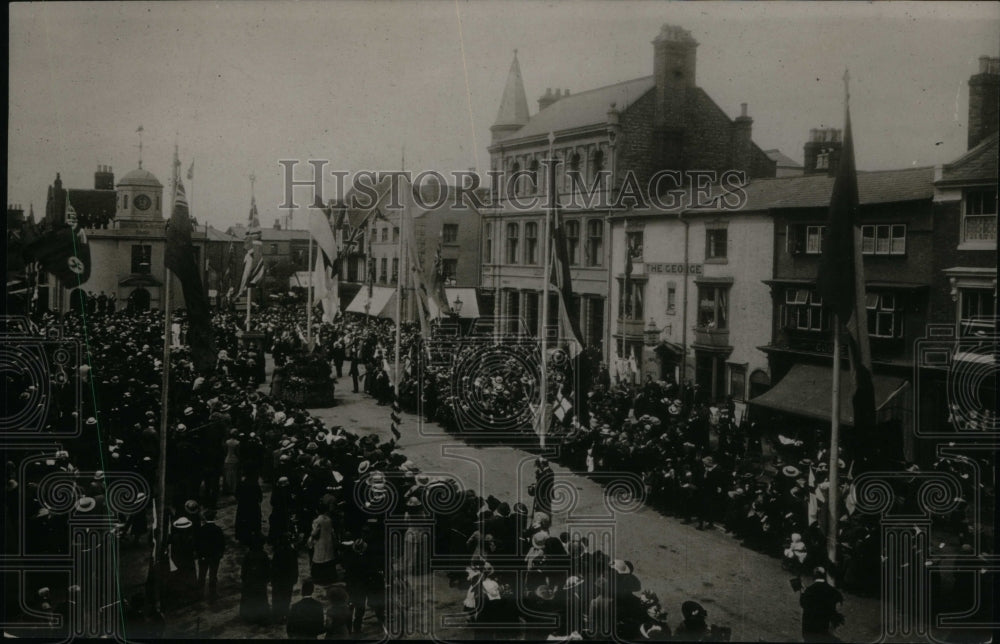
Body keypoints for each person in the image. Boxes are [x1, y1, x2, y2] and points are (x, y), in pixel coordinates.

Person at [799, 567, 844, 642]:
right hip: (823, 626)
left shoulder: (809, 590)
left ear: (814, 576)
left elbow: (803, 604)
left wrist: (802, 592)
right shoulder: (832, 590)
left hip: (809, 627)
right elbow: (839, 602)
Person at [195, 509, 226, 600]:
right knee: (213, 575)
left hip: (203, 556)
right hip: (214, 557)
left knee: (202, 575)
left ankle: (200, 594)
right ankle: (213, 593)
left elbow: (197, 544)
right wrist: (220, 554)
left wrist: (199, 554)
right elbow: (222, 544)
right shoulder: (217, 529)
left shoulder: (201, 530)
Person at [239, 536, 271, 625]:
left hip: (250, 582)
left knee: (249, 599)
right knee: (260, 599)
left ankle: (249, 617)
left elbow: (244, 569)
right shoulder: (264, 555)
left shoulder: (248, 555)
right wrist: (267, 579)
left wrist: (244, 579)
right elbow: (268, 569)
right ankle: (260, 617)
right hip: (260, 582)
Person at [271, 535, 299, 624]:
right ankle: (284, 615)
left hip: (278, 580)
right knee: (286, 598)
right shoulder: (292, 552)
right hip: (288, 580)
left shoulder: (277, 552)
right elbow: (295, 567)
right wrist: (295, 577)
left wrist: (272, 579)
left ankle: (277, 615)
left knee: (277, 598)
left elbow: (273, 567)